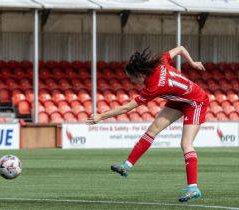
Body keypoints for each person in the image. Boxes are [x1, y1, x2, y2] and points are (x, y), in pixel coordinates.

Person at [87, 46, 208, 202]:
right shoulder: (160, 62)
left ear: (140, 74)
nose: (132, 82)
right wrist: (192, 62)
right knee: (152, 131)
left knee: (186, 143)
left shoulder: (154, 86)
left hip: (196, 102)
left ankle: (193, 188)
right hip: (178, 99)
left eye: (132, 78)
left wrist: (101, 116)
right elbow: (181, 48)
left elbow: (127, 107)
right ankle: (127, 166)